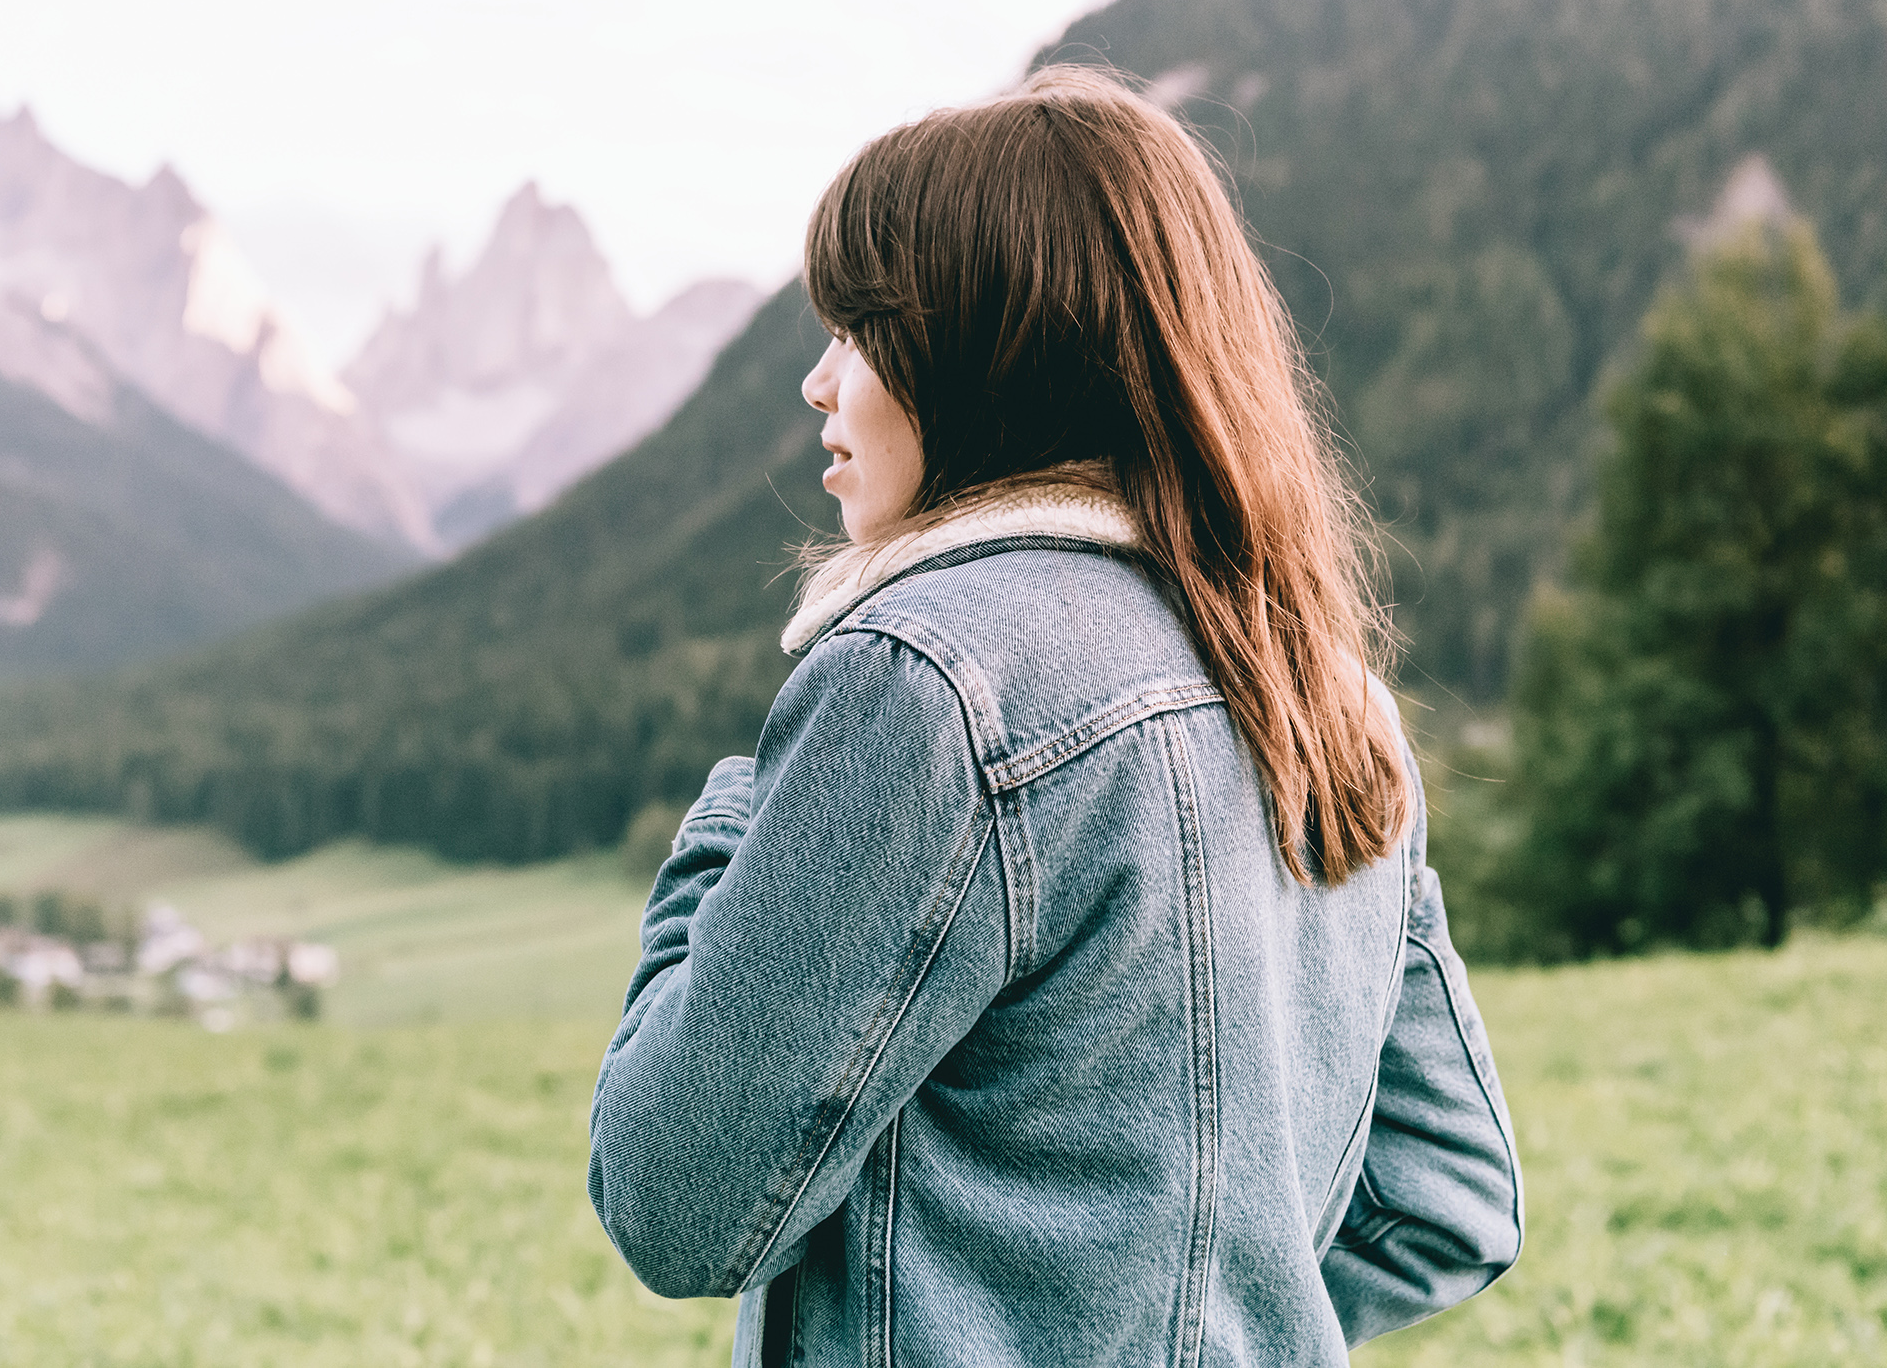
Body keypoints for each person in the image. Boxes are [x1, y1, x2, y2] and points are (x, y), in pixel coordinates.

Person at [588, 66, 1522, 1368]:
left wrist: (739, 816)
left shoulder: (925, 678)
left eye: (860, 327)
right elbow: (1449, 1201)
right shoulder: (1328, 694)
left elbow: (670, 1202)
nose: (818, 381)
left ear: (990, 349)